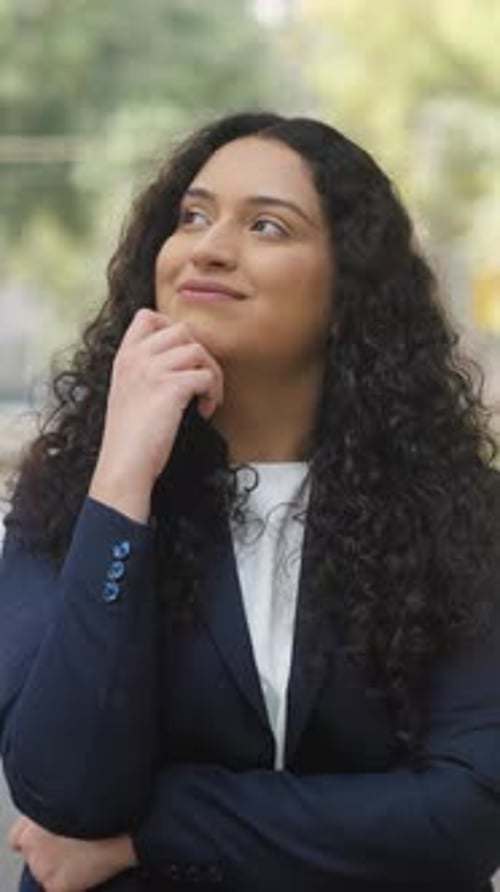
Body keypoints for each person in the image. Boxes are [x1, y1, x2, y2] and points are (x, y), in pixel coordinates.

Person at [1, 110, 500, 892]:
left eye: (267, 226)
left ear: (346, 296)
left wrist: (150, 833)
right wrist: (124, 475)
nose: (208, 245)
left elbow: (466, 817)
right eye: (192, 216)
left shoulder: (458, 512)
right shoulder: (69, 494)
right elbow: (65, 792)